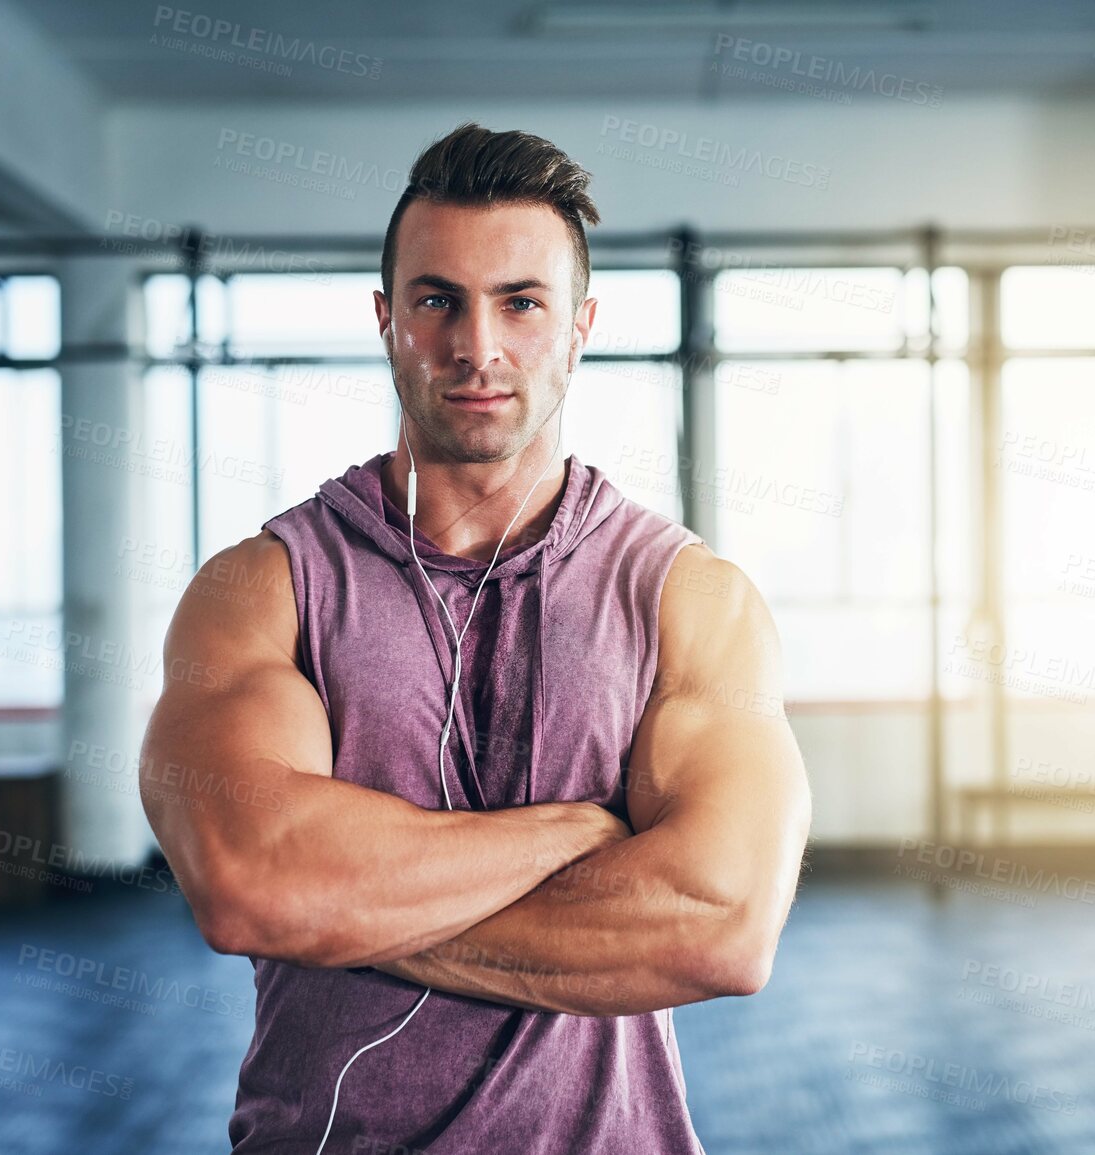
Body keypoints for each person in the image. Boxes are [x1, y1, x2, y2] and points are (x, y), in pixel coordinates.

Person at [140, 121, 811, 1155]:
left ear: (581, 325)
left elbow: (720, 927)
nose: (477, 348)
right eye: (437, 300)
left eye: (521, 303)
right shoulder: (262, 590)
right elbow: (250, 885)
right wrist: (580, 832)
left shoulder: (689, 597)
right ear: (386, 319)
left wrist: (352, 910)